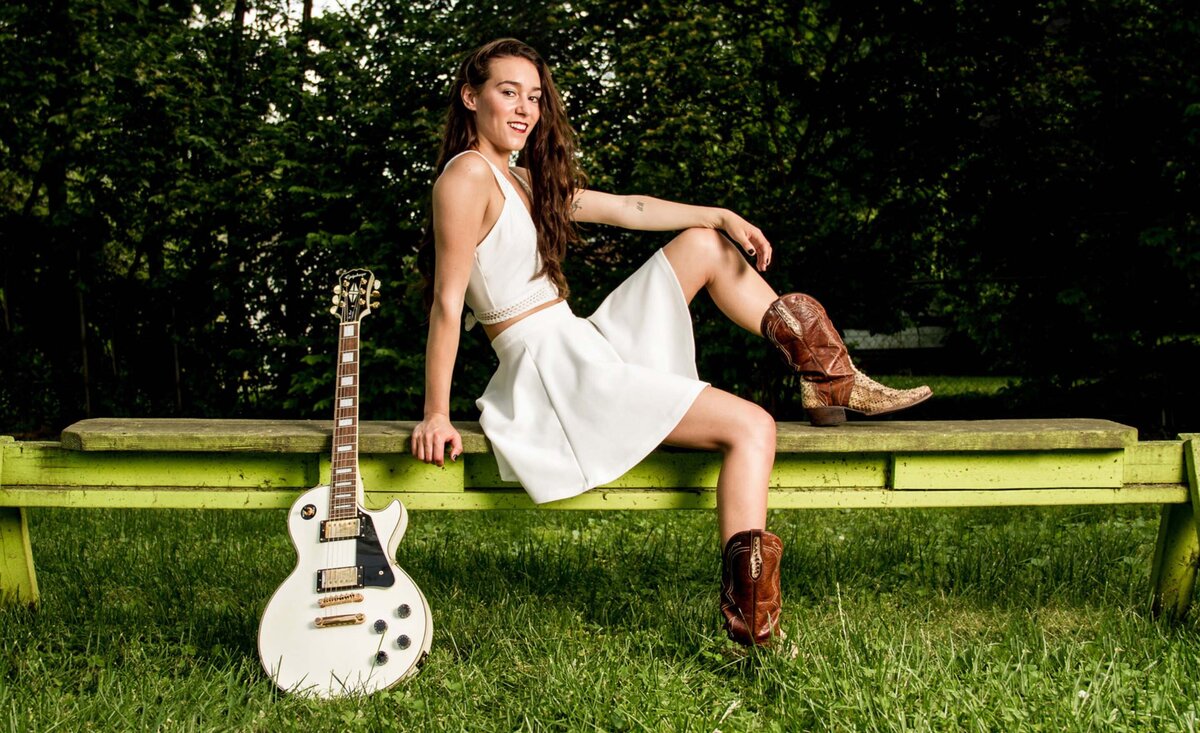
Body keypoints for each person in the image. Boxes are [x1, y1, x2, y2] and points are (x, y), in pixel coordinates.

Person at [410, 38, 931, 647]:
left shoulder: (519, 179)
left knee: (704, 244)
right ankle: (752, 620)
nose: (525, 109)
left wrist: (717, 213)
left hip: (577, 341)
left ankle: (829, 377)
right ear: (471, 98)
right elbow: (448, 303)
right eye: (508, 93)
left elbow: (628, 208)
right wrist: (436, 414)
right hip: (552, 370)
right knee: (753, 426)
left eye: (535, 97)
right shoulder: (468, 176)